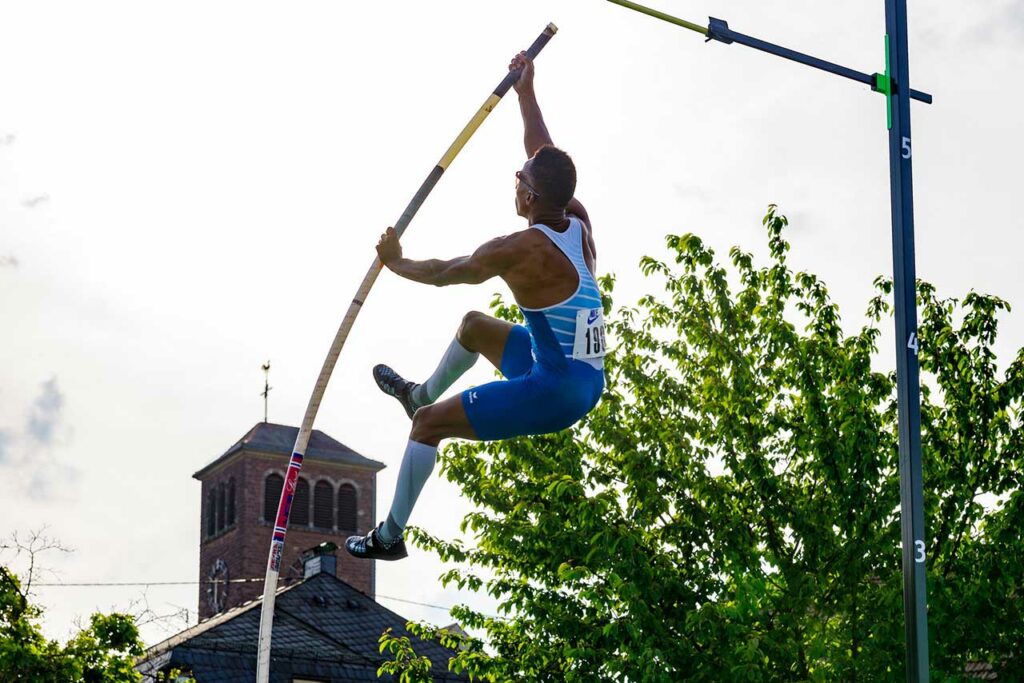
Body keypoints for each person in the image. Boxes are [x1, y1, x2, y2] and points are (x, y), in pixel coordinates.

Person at [345, 51, 606, 561]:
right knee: (473, 327)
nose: (516, 180)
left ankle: (389, 537)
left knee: (428, 429)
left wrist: (397, 263)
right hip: (571, 366)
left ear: (529, 198)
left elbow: (448, 272)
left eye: (519, 180)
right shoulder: (576, 219)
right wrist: (526, 92)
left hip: (557, 390)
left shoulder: (519, 250)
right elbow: (543, 151)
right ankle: (419, 393)